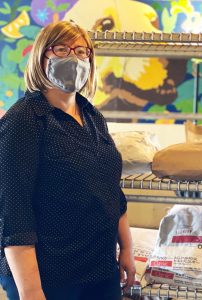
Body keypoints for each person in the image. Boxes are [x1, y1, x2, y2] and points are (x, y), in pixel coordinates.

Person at [0, 21, 135, 300]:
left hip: (100, 268)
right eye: (61, 49)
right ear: (42, 56)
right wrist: (31, 292)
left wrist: (127, 250)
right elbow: (14, 213)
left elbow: (111, 191)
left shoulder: (93, 116)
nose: (73, 58)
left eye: (82, 51)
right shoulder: (24, 120)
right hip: (49, 275)